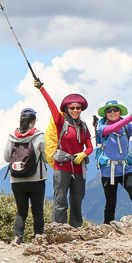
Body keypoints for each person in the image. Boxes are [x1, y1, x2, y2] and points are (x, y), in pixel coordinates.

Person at [36, 81, 93, 227]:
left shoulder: (83, 126)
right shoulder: (60, 122)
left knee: (77, 200)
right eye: (72, 108)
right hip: (62, 167)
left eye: (78, 108)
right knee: (60, 200)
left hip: (79, 168)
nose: (75, 110)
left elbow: (90, 147)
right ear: (66, 109)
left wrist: (84, 154)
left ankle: (76, 228)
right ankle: (58, 229)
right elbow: (51, 105)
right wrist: (41, 88)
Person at [96, 98, 132, 223]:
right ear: (105, 113)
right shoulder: (102, 128)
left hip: (125, 169)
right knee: (111, 202)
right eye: (109, 110)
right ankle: (107, 227)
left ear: (119, 112)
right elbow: (113, 128)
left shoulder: (126, 127)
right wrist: (131, 117)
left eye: (115, 110)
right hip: (109, 171)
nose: (112, 112)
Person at [2, 107, 46, 245]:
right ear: (34, 121)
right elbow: (45, 158)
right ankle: (38, 238)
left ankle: (18, 238)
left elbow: (6, 157)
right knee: (37, 211)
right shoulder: (39, 135)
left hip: (17, 180)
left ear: (20, 120)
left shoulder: (12, 136)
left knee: (21, 211)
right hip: (36, 179)